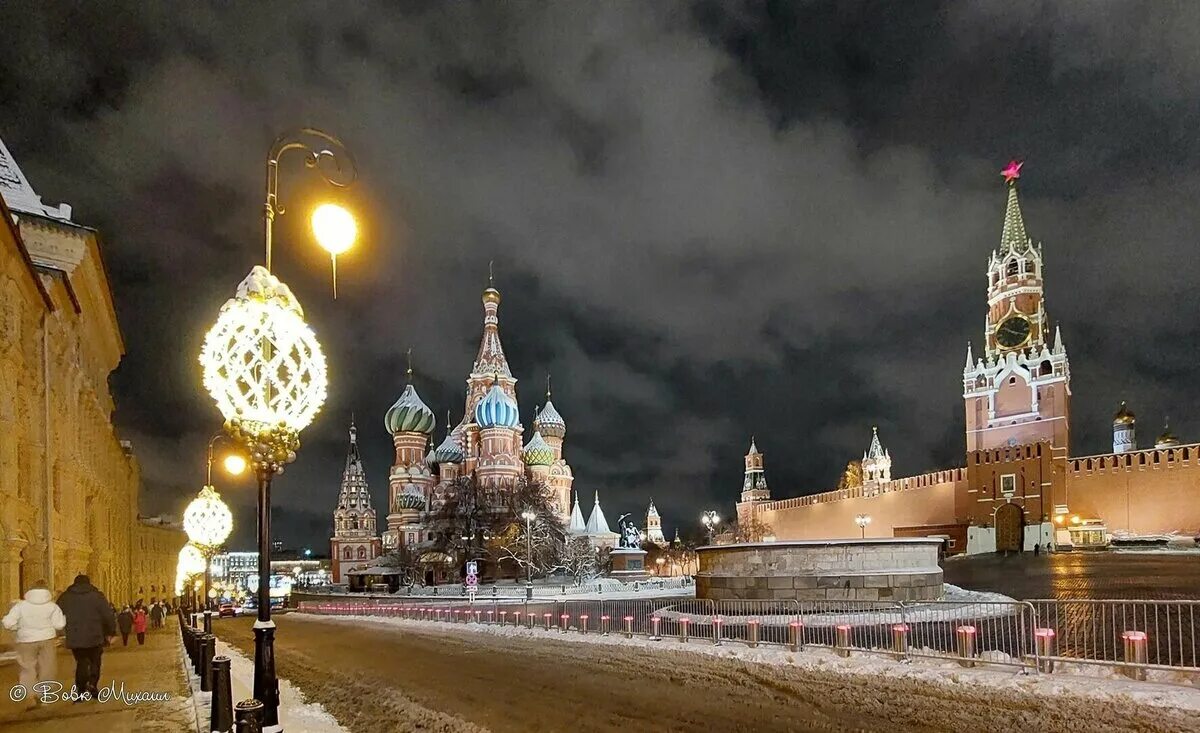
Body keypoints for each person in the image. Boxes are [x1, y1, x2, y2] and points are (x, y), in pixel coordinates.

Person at [2, 580, 66, 704]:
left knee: (27, 668)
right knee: (47, 667)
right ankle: (44, 695)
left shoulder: (21, 606)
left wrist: (17, 627)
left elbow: (8, 623)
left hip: (25, 640)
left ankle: (30, 695)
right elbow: (59, 625)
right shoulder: (52, 606)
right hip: (47, 639)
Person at [56, 574, 116, 700]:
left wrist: (60, 629)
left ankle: (81, 691)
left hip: (75, 635)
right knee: (95, 661)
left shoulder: (66, 597)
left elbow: (57, 612)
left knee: (81, 661)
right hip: (95, 635)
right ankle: (93, 683)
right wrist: (111, 631)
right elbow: (108, 615)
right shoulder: (97, 596)